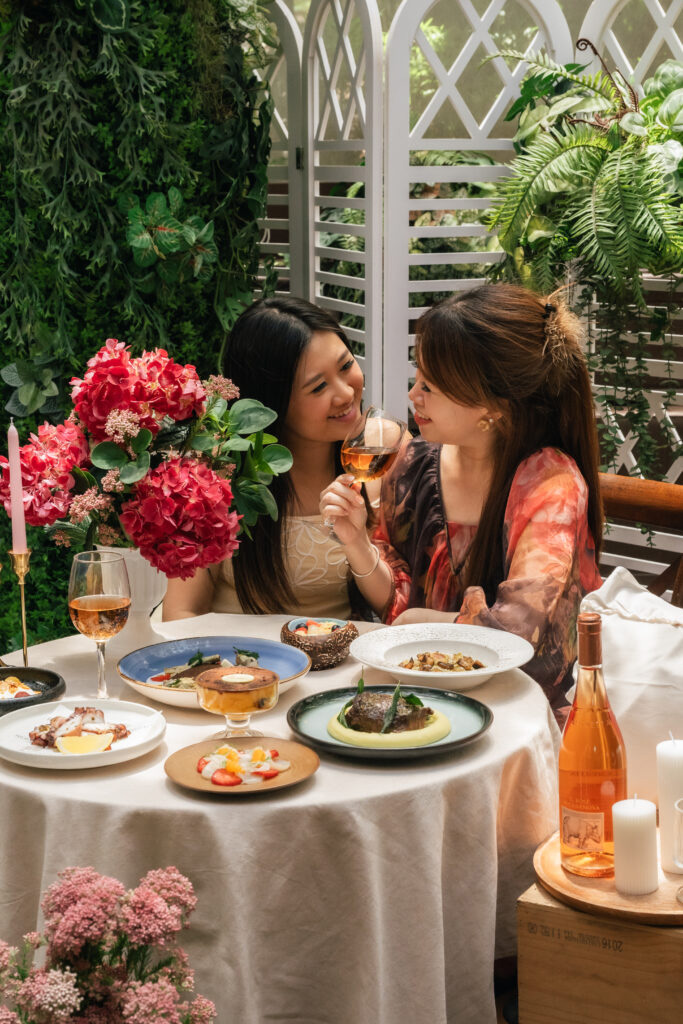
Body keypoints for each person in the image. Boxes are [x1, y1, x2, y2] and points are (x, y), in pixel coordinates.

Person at [320, 283, 604, 711]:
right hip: (419, 696)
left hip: (514, 713)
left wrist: (418, 623)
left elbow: (519, 640)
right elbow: (396, 605)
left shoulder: (550, 486)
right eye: (418, 377)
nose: (413, 395)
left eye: (432, 386)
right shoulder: (412, 464)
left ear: (495, 407)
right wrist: (356, 542)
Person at [163, 296, 374, 620]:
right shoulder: (215, 474)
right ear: (271, 402)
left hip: (343, 661)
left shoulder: (382, 453)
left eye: (346, 366)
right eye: (318, 387)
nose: (346, 393)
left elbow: (401, 599)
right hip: (237, 662)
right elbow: (182, 611)